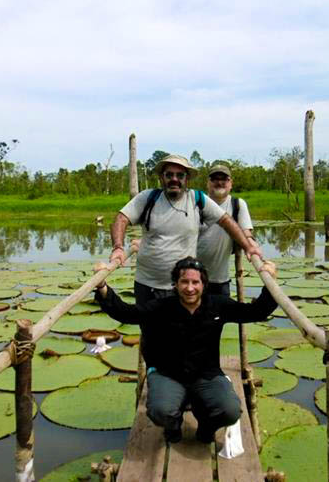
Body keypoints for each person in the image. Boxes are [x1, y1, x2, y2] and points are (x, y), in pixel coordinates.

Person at [93, 256, 278, 443]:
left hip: (206, 374)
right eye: (184, 282)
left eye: (195, 282)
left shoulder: (218, 305)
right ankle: (173, 426)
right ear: (175, 284)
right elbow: (126, 313)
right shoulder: (162, 307)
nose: (190, 288)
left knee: (230, 411)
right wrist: (102, 288)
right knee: (160, 411)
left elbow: (255, 312)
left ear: (204, 284)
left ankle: (206, 427)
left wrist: (270, 282)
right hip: (169, 373)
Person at [108, 154, 262, 306]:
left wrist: (248, 247)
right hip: (146, 285)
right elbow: (121, 219)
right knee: (149, 330)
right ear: (162, 178)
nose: (174, 179)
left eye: (180, 175)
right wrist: (118, 247)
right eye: (169, 175)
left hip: (180, 288)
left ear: (186, 179)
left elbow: (226, 220)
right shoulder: (147, 198)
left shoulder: (197, 199)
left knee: (181, 330)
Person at [197, 163, 255, 296]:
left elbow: (246, 232)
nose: (219, 182)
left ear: (231, 183)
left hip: (220, 280)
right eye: (215, 179)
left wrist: (252, 245)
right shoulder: (197, 204)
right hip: (191, 279)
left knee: (221, 316)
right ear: (208, 183)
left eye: (224, 179)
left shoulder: (238, 205)